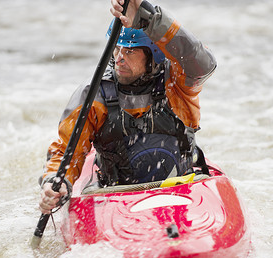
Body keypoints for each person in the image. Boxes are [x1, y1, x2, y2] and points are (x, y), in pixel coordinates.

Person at [39, 0, 216, 214]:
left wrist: (148, 15)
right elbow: (68, 149)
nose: (120, 59)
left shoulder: (177, 84)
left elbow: (202, 61)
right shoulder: (94, 94)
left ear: (152, 56)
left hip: (182, 187)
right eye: (117, 49)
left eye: (130, 52)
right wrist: (56, 182)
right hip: (116, 194)